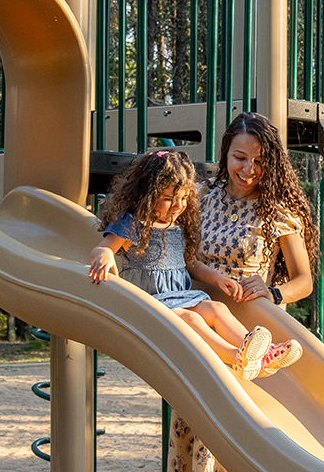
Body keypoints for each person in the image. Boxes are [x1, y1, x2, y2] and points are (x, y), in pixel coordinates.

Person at [163, 112, 315, 472]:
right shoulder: (201, 200)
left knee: (245, 469)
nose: (247, 168)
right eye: (238, 157)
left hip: (254, 350)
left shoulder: (278, 213)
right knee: (214, 466)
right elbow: (179, 256)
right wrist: (208, 272)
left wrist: (271, 290)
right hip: (204, 344)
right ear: (225, 154)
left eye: (257, 159)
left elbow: (303, 280)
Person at [87, 147, 302, 379]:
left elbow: (190, 264)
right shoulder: (132, 224)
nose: (178, 206)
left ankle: (261, 354)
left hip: (178, 298)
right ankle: (235, 357)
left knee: (217, 308)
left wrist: (219, 278)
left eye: (183, 198)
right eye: (168, 199)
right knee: (192, 319)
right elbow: (102, 249)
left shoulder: (178, 226)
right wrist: (105, 255)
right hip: (148, 305)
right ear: (147, 195)